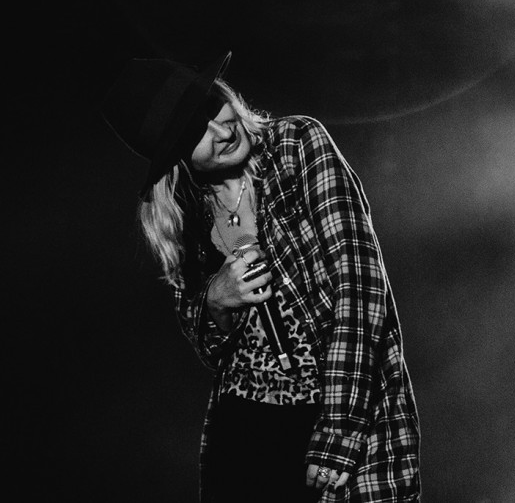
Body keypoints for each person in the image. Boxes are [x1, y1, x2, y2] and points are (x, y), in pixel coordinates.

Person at [101, 51, 420, 502]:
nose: (221, 130)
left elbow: (360, 286)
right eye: (194, 133)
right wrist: (215, 301)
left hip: (339, 413)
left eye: (212, 107)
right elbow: (212, 351)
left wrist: (338, 431)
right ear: (176, 158)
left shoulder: (297, 145)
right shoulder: (182, 215)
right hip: (245, 433)